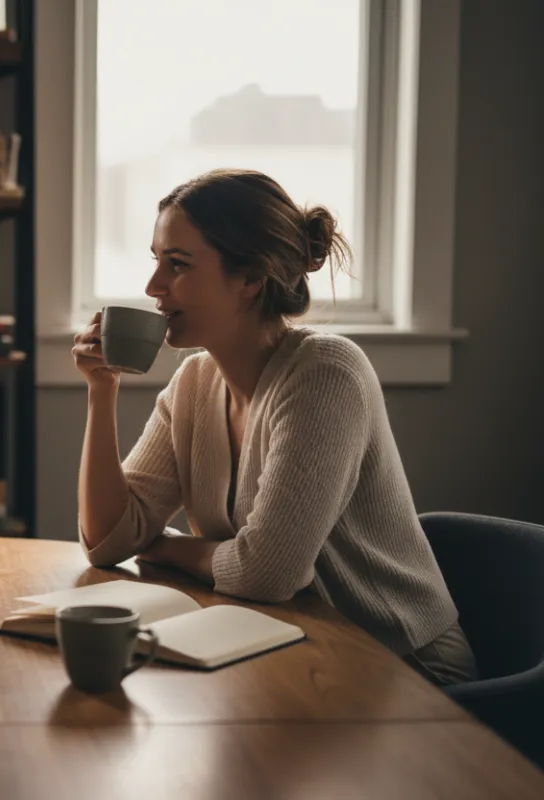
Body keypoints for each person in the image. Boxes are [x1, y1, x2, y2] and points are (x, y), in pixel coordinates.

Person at [72, 169, 477, 686]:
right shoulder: (195, 382)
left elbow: (266, 573)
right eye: (157, 262)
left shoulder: (326, 375)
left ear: (250, 279)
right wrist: (101, 391)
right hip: (296, 649)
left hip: (404, 665)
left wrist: (165, 546)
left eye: (177, 265)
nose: (153, 287)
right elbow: (108, 541)